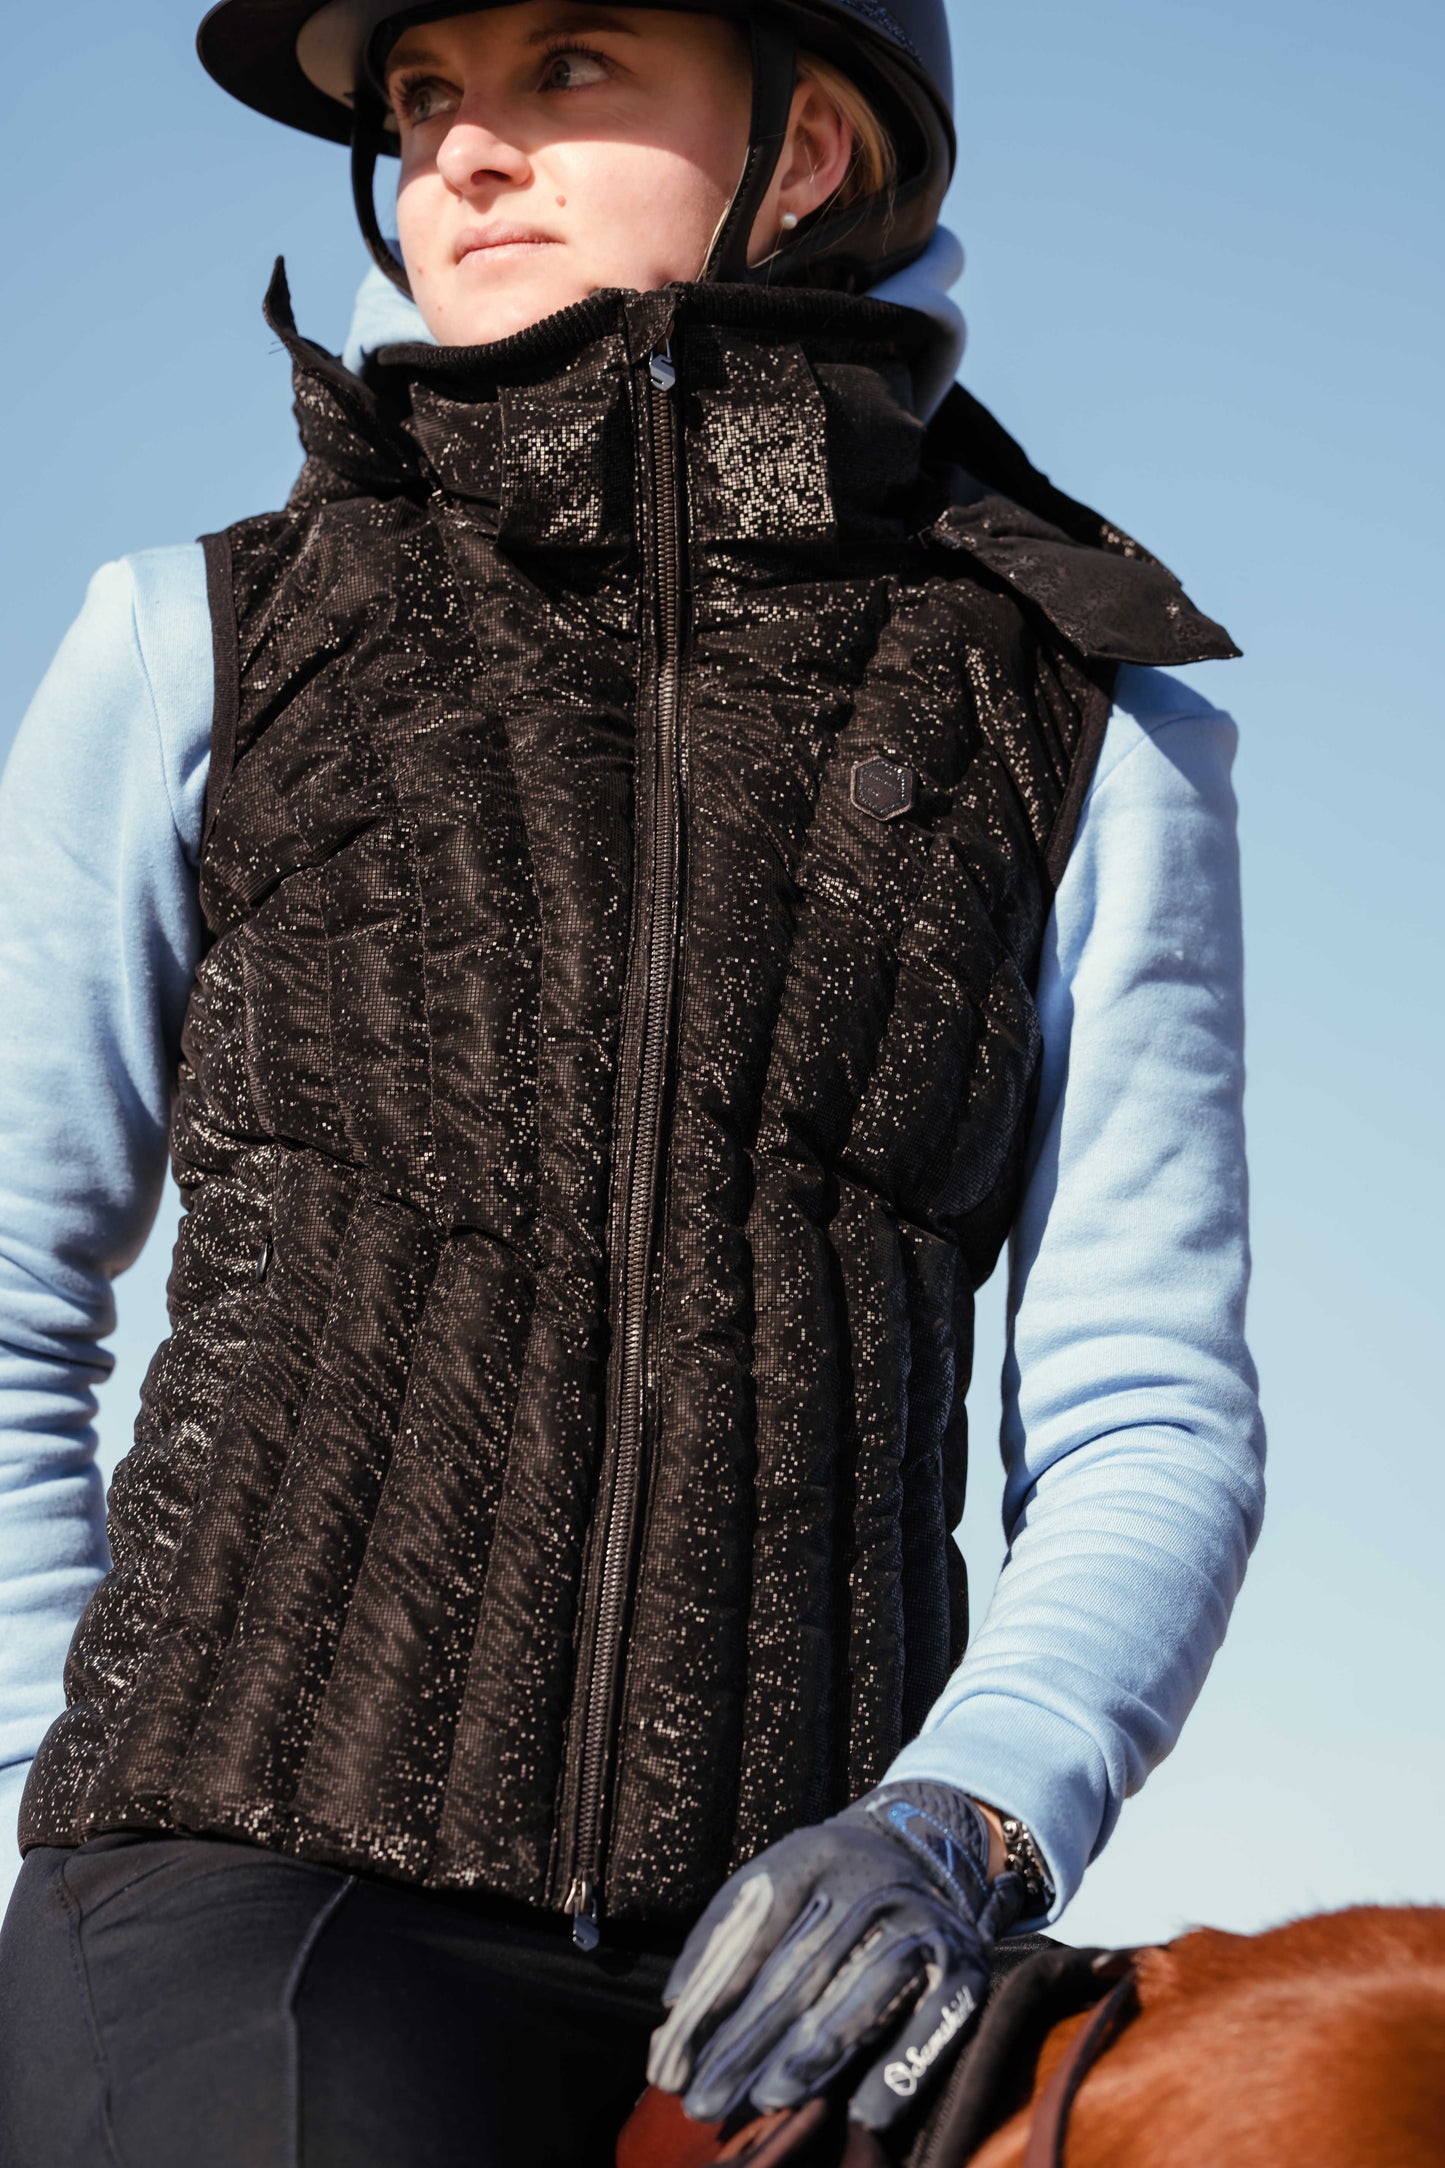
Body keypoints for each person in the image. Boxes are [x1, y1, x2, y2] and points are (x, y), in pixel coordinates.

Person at [0, 0, 1264, 2160]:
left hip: (814, 1945)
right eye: (418, 100)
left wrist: (965, 1823)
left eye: (568, 66)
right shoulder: (201, 636)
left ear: (809, 150)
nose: (462, 154)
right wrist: (76, 1789)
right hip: (266, 1907)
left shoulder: (1084, 714)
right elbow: (13, 1281)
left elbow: (1153, 1401)